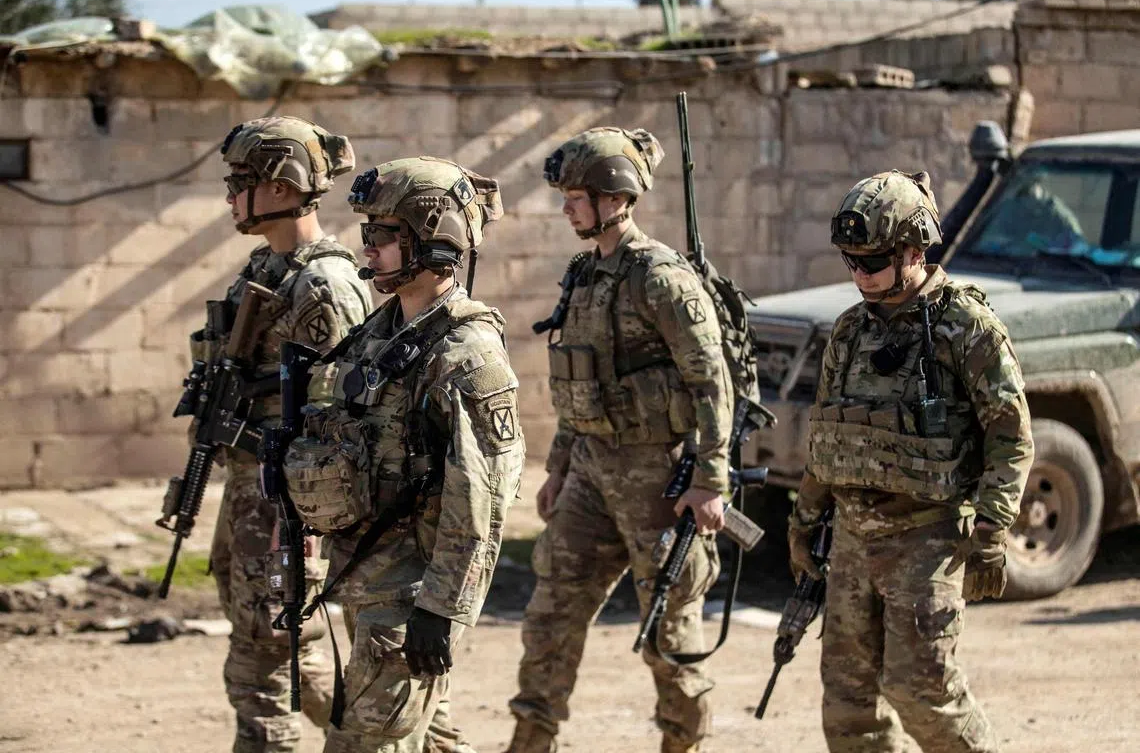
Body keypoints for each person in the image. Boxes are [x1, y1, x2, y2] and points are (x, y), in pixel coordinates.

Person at [280, 156, 524, 753]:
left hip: (409, 597)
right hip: (364, 574)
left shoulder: (465, 353)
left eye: (384, 236)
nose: (368, 249)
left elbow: (482, 500)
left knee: (366, 744)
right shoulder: (378, 332)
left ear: (433, 240)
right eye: (367, 234)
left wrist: (442, 609)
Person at [506, 127, 734, 753]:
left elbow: (712, 380)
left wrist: (711, 476)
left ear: (615, 196)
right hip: (589, 470)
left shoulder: (661, 278)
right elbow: (577, 382)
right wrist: (556, 469)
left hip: (657, 474)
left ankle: (682, 745)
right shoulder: (584, 274)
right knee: (551, 612)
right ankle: (530, 742)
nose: (566, 207)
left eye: (577, 195)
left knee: (669, 630)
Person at [790, 170, 1035, 751]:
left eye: (871, 261)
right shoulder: (850, 331)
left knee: (924, 693)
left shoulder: (965, 328)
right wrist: (803, 521)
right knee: (849, 704)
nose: (859, 275)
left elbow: (1011, 436)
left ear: (914, 249)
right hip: (853, 537)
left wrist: (993, 532)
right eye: (849, 261)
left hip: (927, 538)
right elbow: (829, 437)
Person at [198, 115, 372, 752]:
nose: (228, 194)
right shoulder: (264, 268)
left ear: (280, 187)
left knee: (262, 665)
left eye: (239, 180)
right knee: (276, 645)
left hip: (287, 502)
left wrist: (300, 523)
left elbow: (336, 422)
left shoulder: (322, 285)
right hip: (250, 487)